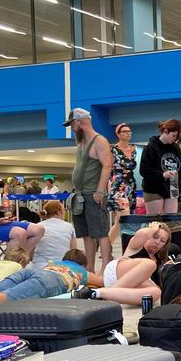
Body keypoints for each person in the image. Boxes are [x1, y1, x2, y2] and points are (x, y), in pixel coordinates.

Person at [72, 222, 170, 305]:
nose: (157, 242)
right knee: (150, 264)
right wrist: (153, 228)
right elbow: (142, 233)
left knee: (155, 293)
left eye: (162, 241)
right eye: (155, 237)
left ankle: (98, 294)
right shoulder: (137, 246)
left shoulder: (160, 259)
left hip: (126, 289)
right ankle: (108, 294)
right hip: (116, 273)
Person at [64, 108, 113, 273]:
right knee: (86, 234)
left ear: (79, 122)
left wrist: (99, 191)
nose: (71, 128)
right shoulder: (81, 142)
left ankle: (106, 267)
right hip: (80, 195)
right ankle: (90, 268)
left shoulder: (99, 141)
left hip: (93, 194)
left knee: (100, 232)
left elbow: (107, 165)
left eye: (71, 124)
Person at [0, 249, 101, 306]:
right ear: (83, 265)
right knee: (5, 297)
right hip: (55, 280)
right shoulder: (82, 272)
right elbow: (104, 282)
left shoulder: (54, 263)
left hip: (34, 272)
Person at [140, 119, 181, 215]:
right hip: (154, 188)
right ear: (165, 131)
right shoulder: (151, 147)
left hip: (172, 186)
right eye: (173, 136)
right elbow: (144, 170)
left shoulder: (175, 148)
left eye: (176, 137)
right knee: (155, 222)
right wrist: (162, 174)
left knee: (171, 221)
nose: (174, 139)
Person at [30, 201, 76, 269]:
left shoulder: (38, 226)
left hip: (39, 265)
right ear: (58, 212)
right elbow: (73, 251)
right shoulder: (69, 226)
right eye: (63, 210)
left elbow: (31, 250)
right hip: (62, 266)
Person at [108, 122, 138, 219]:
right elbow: (108, 168)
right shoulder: (113, 150)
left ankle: (126, 234)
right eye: (125, 131)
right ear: (118, 134)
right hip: (119, 184)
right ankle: (117, 233)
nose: (128, 133)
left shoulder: (133, 149)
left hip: (131, 183)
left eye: (129, 131)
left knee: (130, 215)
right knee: (122, 215)